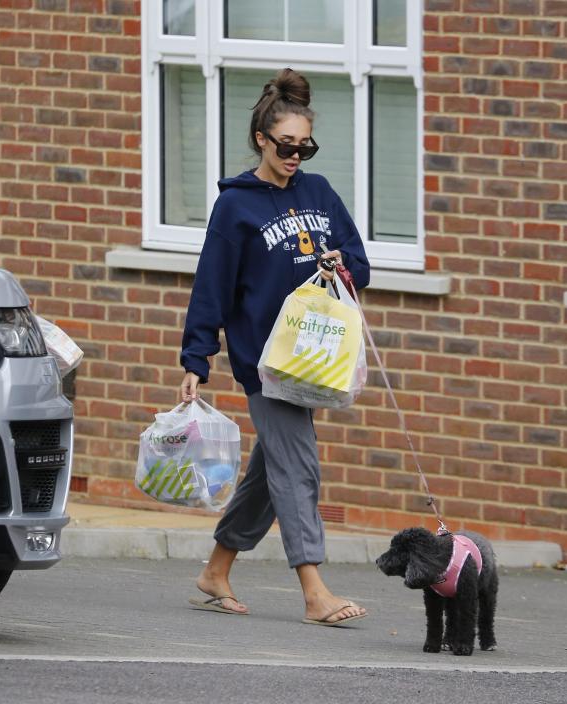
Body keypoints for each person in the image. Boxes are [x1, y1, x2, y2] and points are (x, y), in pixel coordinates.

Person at [180, 68, 371, 626]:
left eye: (305, 146)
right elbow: (210, 286)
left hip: (314, 358)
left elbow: (358, 262)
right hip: (264, 362)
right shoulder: (236, 207)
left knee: (273, 469)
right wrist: (196, 359)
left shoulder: (318, 191)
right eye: (286, 146)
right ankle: (314, 591)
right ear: (262, 140)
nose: (296, 156)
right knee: (300, 466)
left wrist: (341, 264)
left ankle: (216, 569)